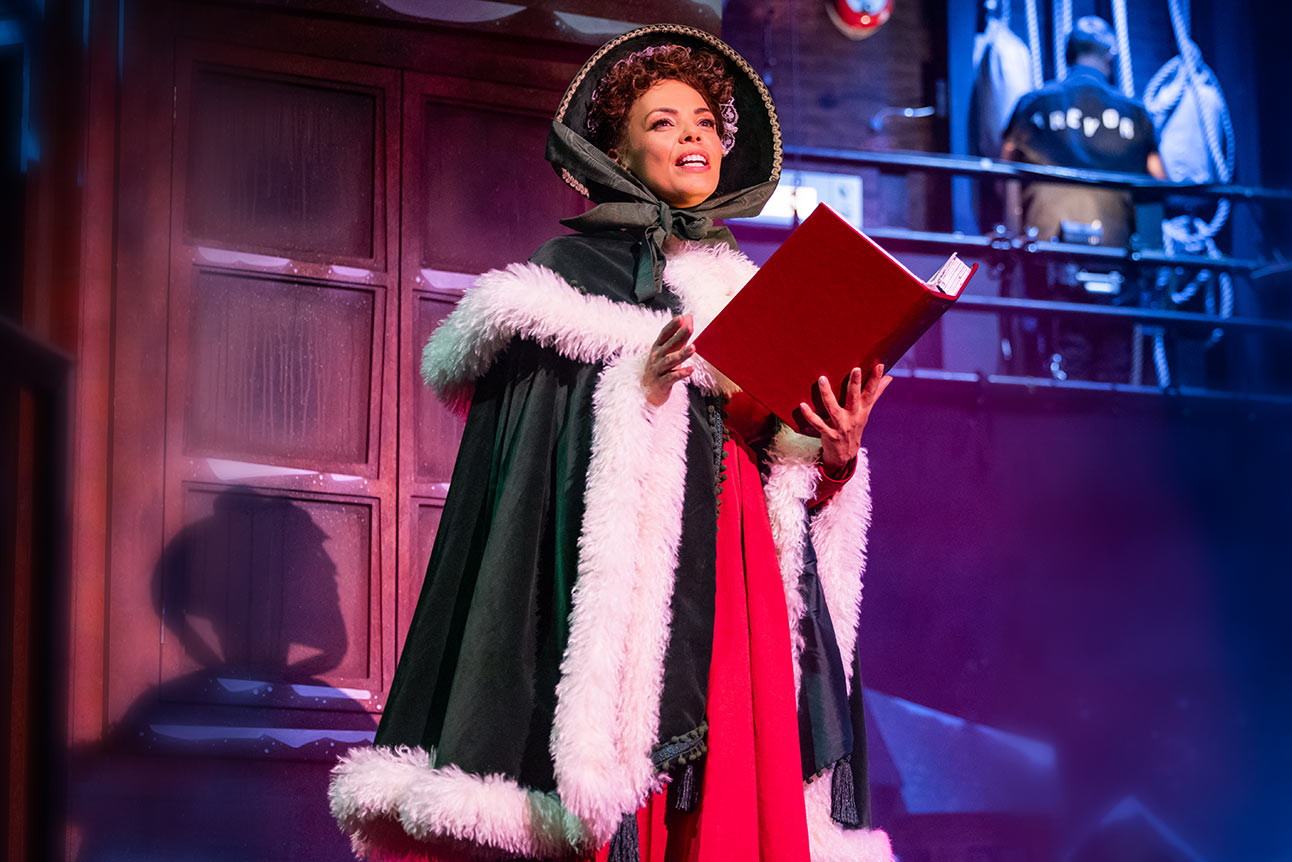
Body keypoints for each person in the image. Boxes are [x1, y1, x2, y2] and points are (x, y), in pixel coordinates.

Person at [329, 25, 894, 862]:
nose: (693, 135)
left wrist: (833, 450)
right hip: (628, 600)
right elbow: (536, 467)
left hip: (738, 582)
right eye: (663, 123)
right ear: (618, 155)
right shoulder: (561, 279)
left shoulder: (748, 287)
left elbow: (784, 471)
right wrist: (641, 391)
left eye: (704, 121)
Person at [1001, 16, 1167, 382]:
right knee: (1115, 369)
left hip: (1047, 261)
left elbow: (1004, 171)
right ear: (1110, 57)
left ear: (1068, 54)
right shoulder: (1135, 114)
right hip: (1116, 265)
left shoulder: (1033, 105)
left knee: (1061, 365)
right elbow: (1158, 183)